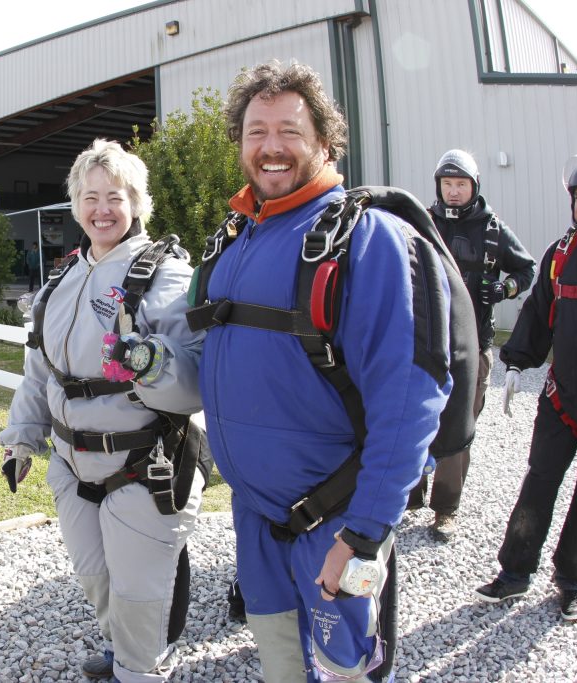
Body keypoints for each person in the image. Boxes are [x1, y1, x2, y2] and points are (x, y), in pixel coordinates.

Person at [194, 61, 453, 681]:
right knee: (282, 663)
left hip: (335, 521)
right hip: (257, 519)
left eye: (290, 130)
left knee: (346, 671)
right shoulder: (234, 241)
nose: (271, 147)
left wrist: (364, 534)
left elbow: (409, 398)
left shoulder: (370, 241)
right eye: (256, 131)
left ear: (325, 143)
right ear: (239, 143)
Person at [0, 139, 205, 683]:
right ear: (76, 205)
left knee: (140, 594)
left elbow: (196, 380)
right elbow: (40, 370)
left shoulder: (165, 276)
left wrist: (152, 363)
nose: (102, 209)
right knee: (97, 578)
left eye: (114, 196)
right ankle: (123, 651)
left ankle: (139, 670)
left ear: (136, 202)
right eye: (90, 197)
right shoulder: (60, 283)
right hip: (71, 465)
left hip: (142, 465)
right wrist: (23, 436)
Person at [407, 150, 535, 541]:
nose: (454, 191)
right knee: (411, 416)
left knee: (459, 422)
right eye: (447, 184)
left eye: (461, 184)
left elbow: (526, 269)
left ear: (474, 186)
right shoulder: (422, 223)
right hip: (426, 342)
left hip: (474, 342)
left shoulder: (492, 229)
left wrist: (504, 288)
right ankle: (407, 495)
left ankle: (446, 508)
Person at [476, 158, 577, 622]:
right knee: (540, 479)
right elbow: (539, 312)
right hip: (563, 398)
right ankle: (515, 572)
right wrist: (516, 361)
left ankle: (573, 579)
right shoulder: (560, 256)